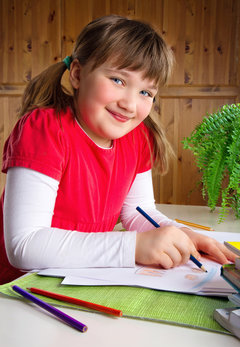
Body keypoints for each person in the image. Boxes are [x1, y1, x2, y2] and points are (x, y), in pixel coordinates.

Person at [0, 15, 236, 285]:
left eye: (146, 93)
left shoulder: (138, 136)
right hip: (19, 288)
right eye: (118, 80)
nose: (130, 104)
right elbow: (24, 246)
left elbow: (138, 211)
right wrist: (133, 247)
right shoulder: (44, 129)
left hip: (79, 280)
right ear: (78, 74)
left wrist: (177, 233)